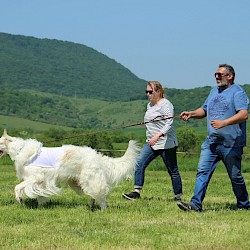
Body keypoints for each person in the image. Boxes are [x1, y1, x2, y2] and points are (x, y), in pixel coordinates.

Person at [177, 64, 250, 211]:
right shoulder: (213, 91)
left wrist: (224, 122)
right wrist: (191, 114)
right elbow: (204, 110)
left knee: (235, 176)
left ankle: (244, 204)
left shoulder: (238, 92)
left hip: (231, 144)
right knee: (202, 172)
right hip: (211, 142)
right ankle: (195, 204)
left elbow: (244, 114)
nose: (216, 77)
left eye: (220, 75)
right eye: (215, 75)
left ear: (230, 76)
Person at [122, 81, 183, 201]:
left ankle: (178, 196)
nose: (148, 94)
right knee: (139, 163)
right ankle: (136, 192)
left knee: (172, 170)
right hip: (151, 143)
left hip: (166, 143)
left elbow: (169, 124)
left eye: (150, 92)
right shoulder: (149, 105)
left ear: (158, 92)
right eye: (147, 92)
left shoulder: (166, 105)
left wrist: (157, 136)